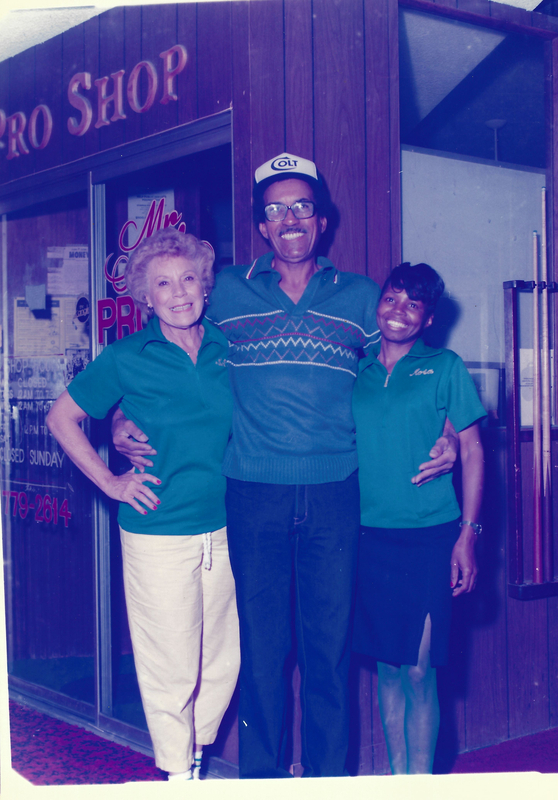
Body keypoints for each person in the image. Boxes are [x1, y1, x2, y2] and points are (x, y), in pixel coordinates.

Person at [113, 153, 458, 778]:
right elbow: (172, 349)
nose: (290, 218)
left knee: (328, 656)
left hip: (335, 496)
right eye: (275, 210)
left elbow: (404, 374)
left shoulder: (359, 296)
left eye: (303, 206)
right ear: (262, 227)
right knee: (262, 655)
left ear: (321, 221)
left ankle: (327, 785)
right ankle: (264, 784)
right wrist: (117, 419)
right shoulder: (224, 292)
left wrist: (451, 435)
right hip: (252, 495)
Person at [46, 228, 240, 782]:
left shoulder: (230, 348)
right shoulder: (127, 357)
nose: (179, 293)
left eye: (188, 280)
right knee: (170, 662)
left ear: (204, 285)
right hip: (159, 531)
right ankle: (178, 777)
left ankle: (196, 756)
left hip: (230, 527)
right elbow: (62, 419)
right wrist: (109, 481)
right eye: (163, 284)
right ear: (145, 297)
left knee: (223, 660)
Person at [352, 262, 485, 774]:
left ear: (428, 318)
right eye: (392, 299)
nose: (399, 312)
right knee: (387, 670)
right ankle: (396, 781)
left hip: (431, 537)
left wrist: (467, 537)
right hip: (368, 538)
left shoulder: (445, 367)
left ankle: (422, 784)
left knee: (418, 671)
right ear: (379, 302)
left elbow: (472, 452)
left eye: (413, 305)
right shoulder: (356, 369)